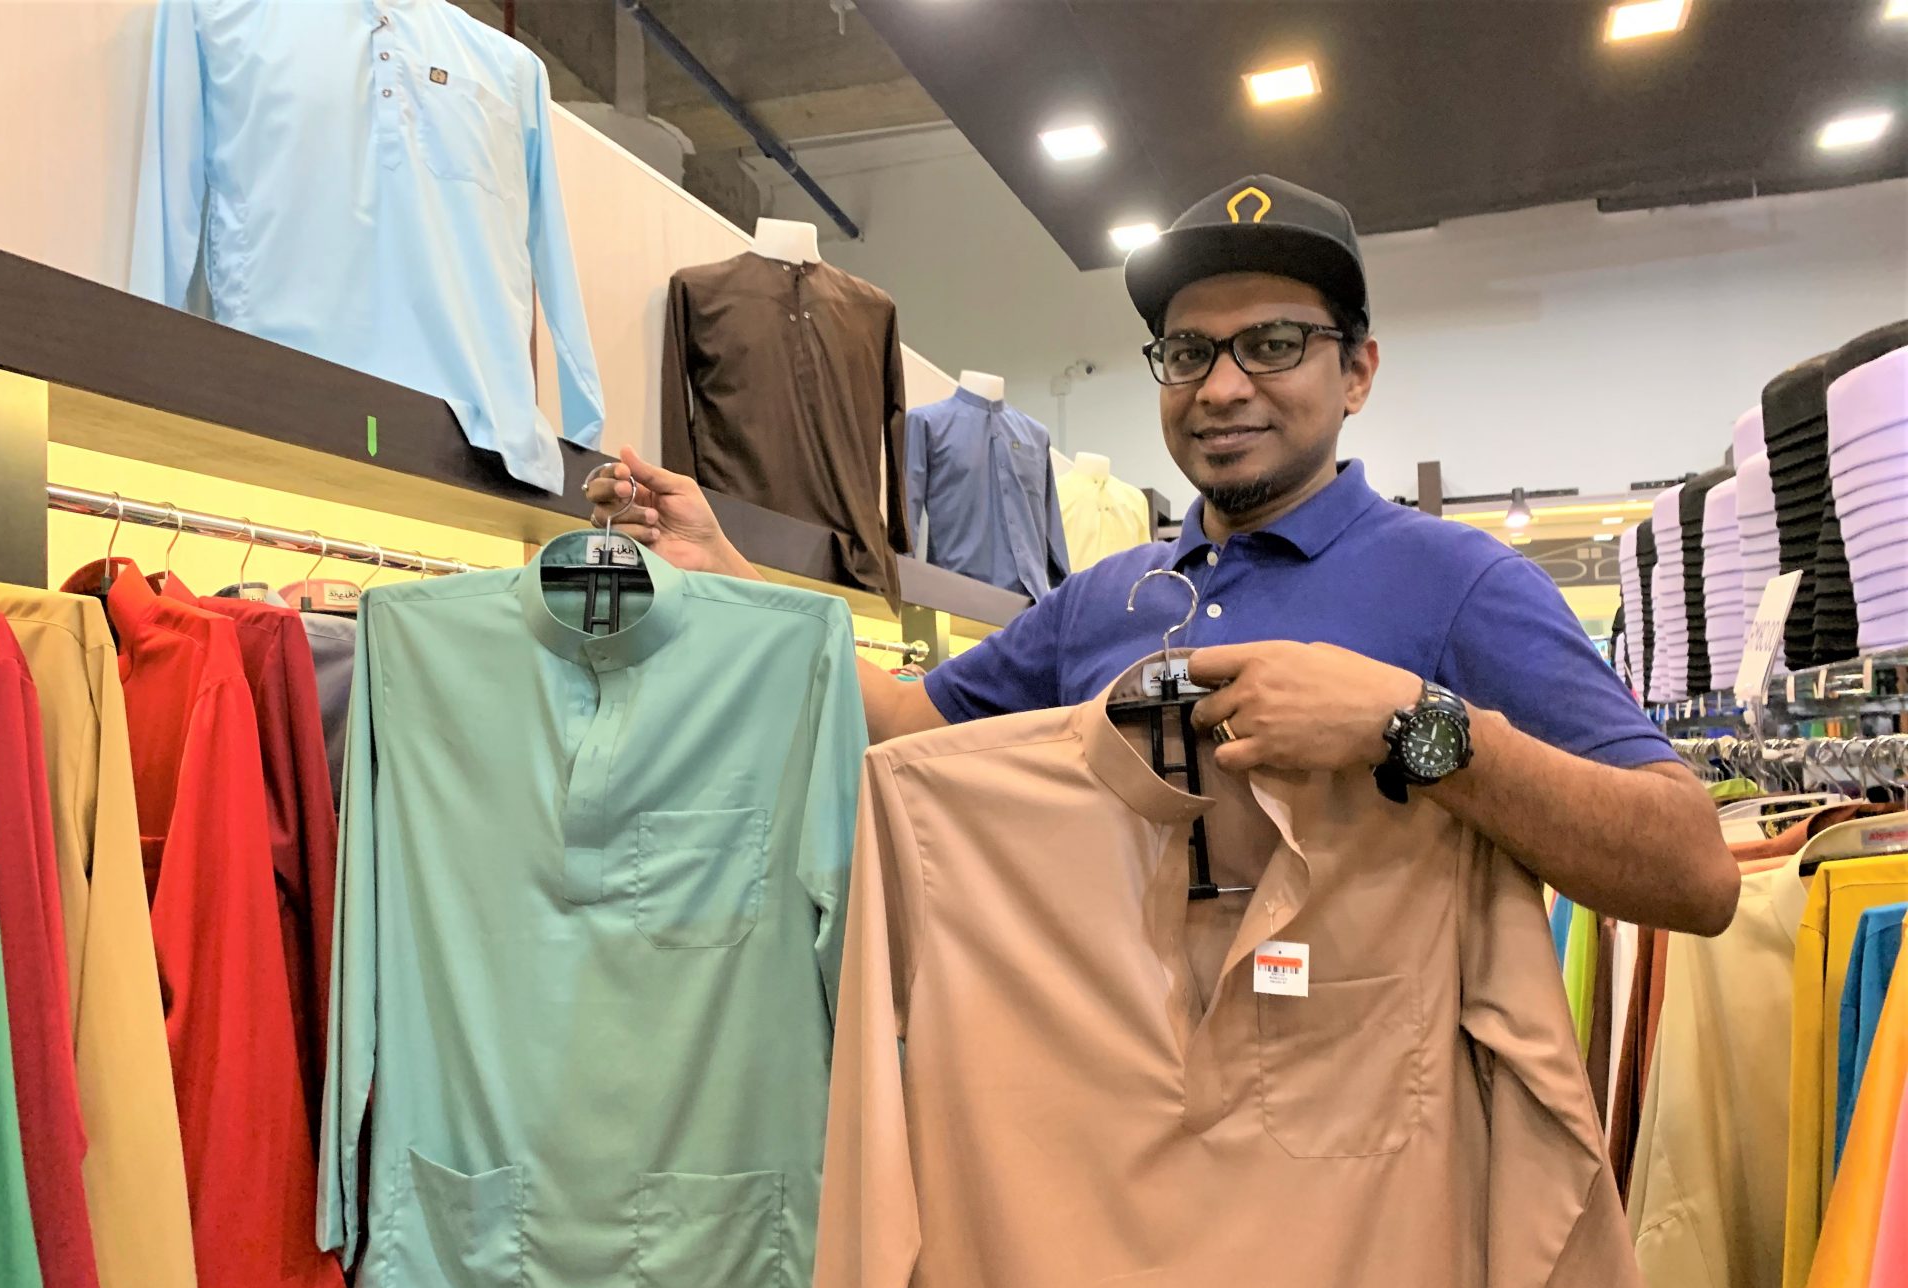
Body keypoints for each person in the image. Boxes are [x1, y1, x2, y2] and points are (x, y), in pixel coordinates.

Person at [590, 173, 1740, 937]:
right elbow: (901, 725)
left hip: (1365, 1172)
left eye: (1273, 343)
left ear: (1357, 372)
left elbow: (1693, 872)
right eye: (1188, 351)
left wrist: (1408, 724)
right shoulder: (1103, 599)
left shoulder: (1462, 585)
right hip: (1120, 1136)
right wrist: (731, 581)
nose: (1223, 386)